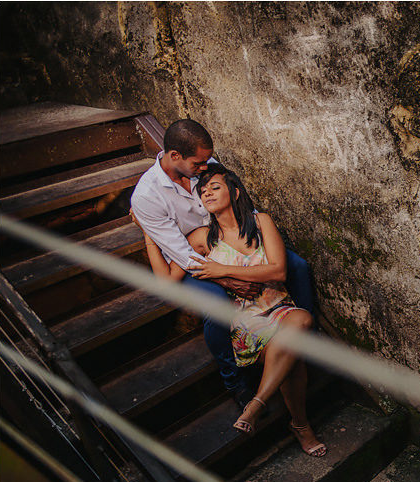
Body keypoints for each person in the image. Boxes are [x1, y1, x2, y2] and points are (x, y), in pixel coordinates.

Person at [139, 163, 326, 457]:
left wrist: (220, 269)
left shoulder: (260, 222)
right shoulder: (201, 238)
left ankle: (257, 404)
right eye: (203, 191)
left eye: (215, 186)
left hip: (279, 308)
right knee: (292, 359)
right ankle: (301, 426)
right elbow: (166, 282)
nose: (208, 193)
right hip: (246, 323)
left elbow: (277, 269)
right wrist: (150, 235)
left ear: (235, 191)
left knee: (301, 319)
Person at [130, 119, 314, 408]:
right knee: (217, 305)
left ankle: (305, 341)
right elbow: (180, 252)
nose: (206, 167)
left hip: (233, 240)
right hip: (196, 256)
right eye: (199, 163)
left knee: (298, 266)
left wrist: (253, 248)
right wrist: (227, 279)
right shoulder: (147, 197)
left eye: (207, 160)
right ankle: (235, 379)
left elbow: (238, 203)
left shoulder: (205, 163)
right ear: (175, 156)